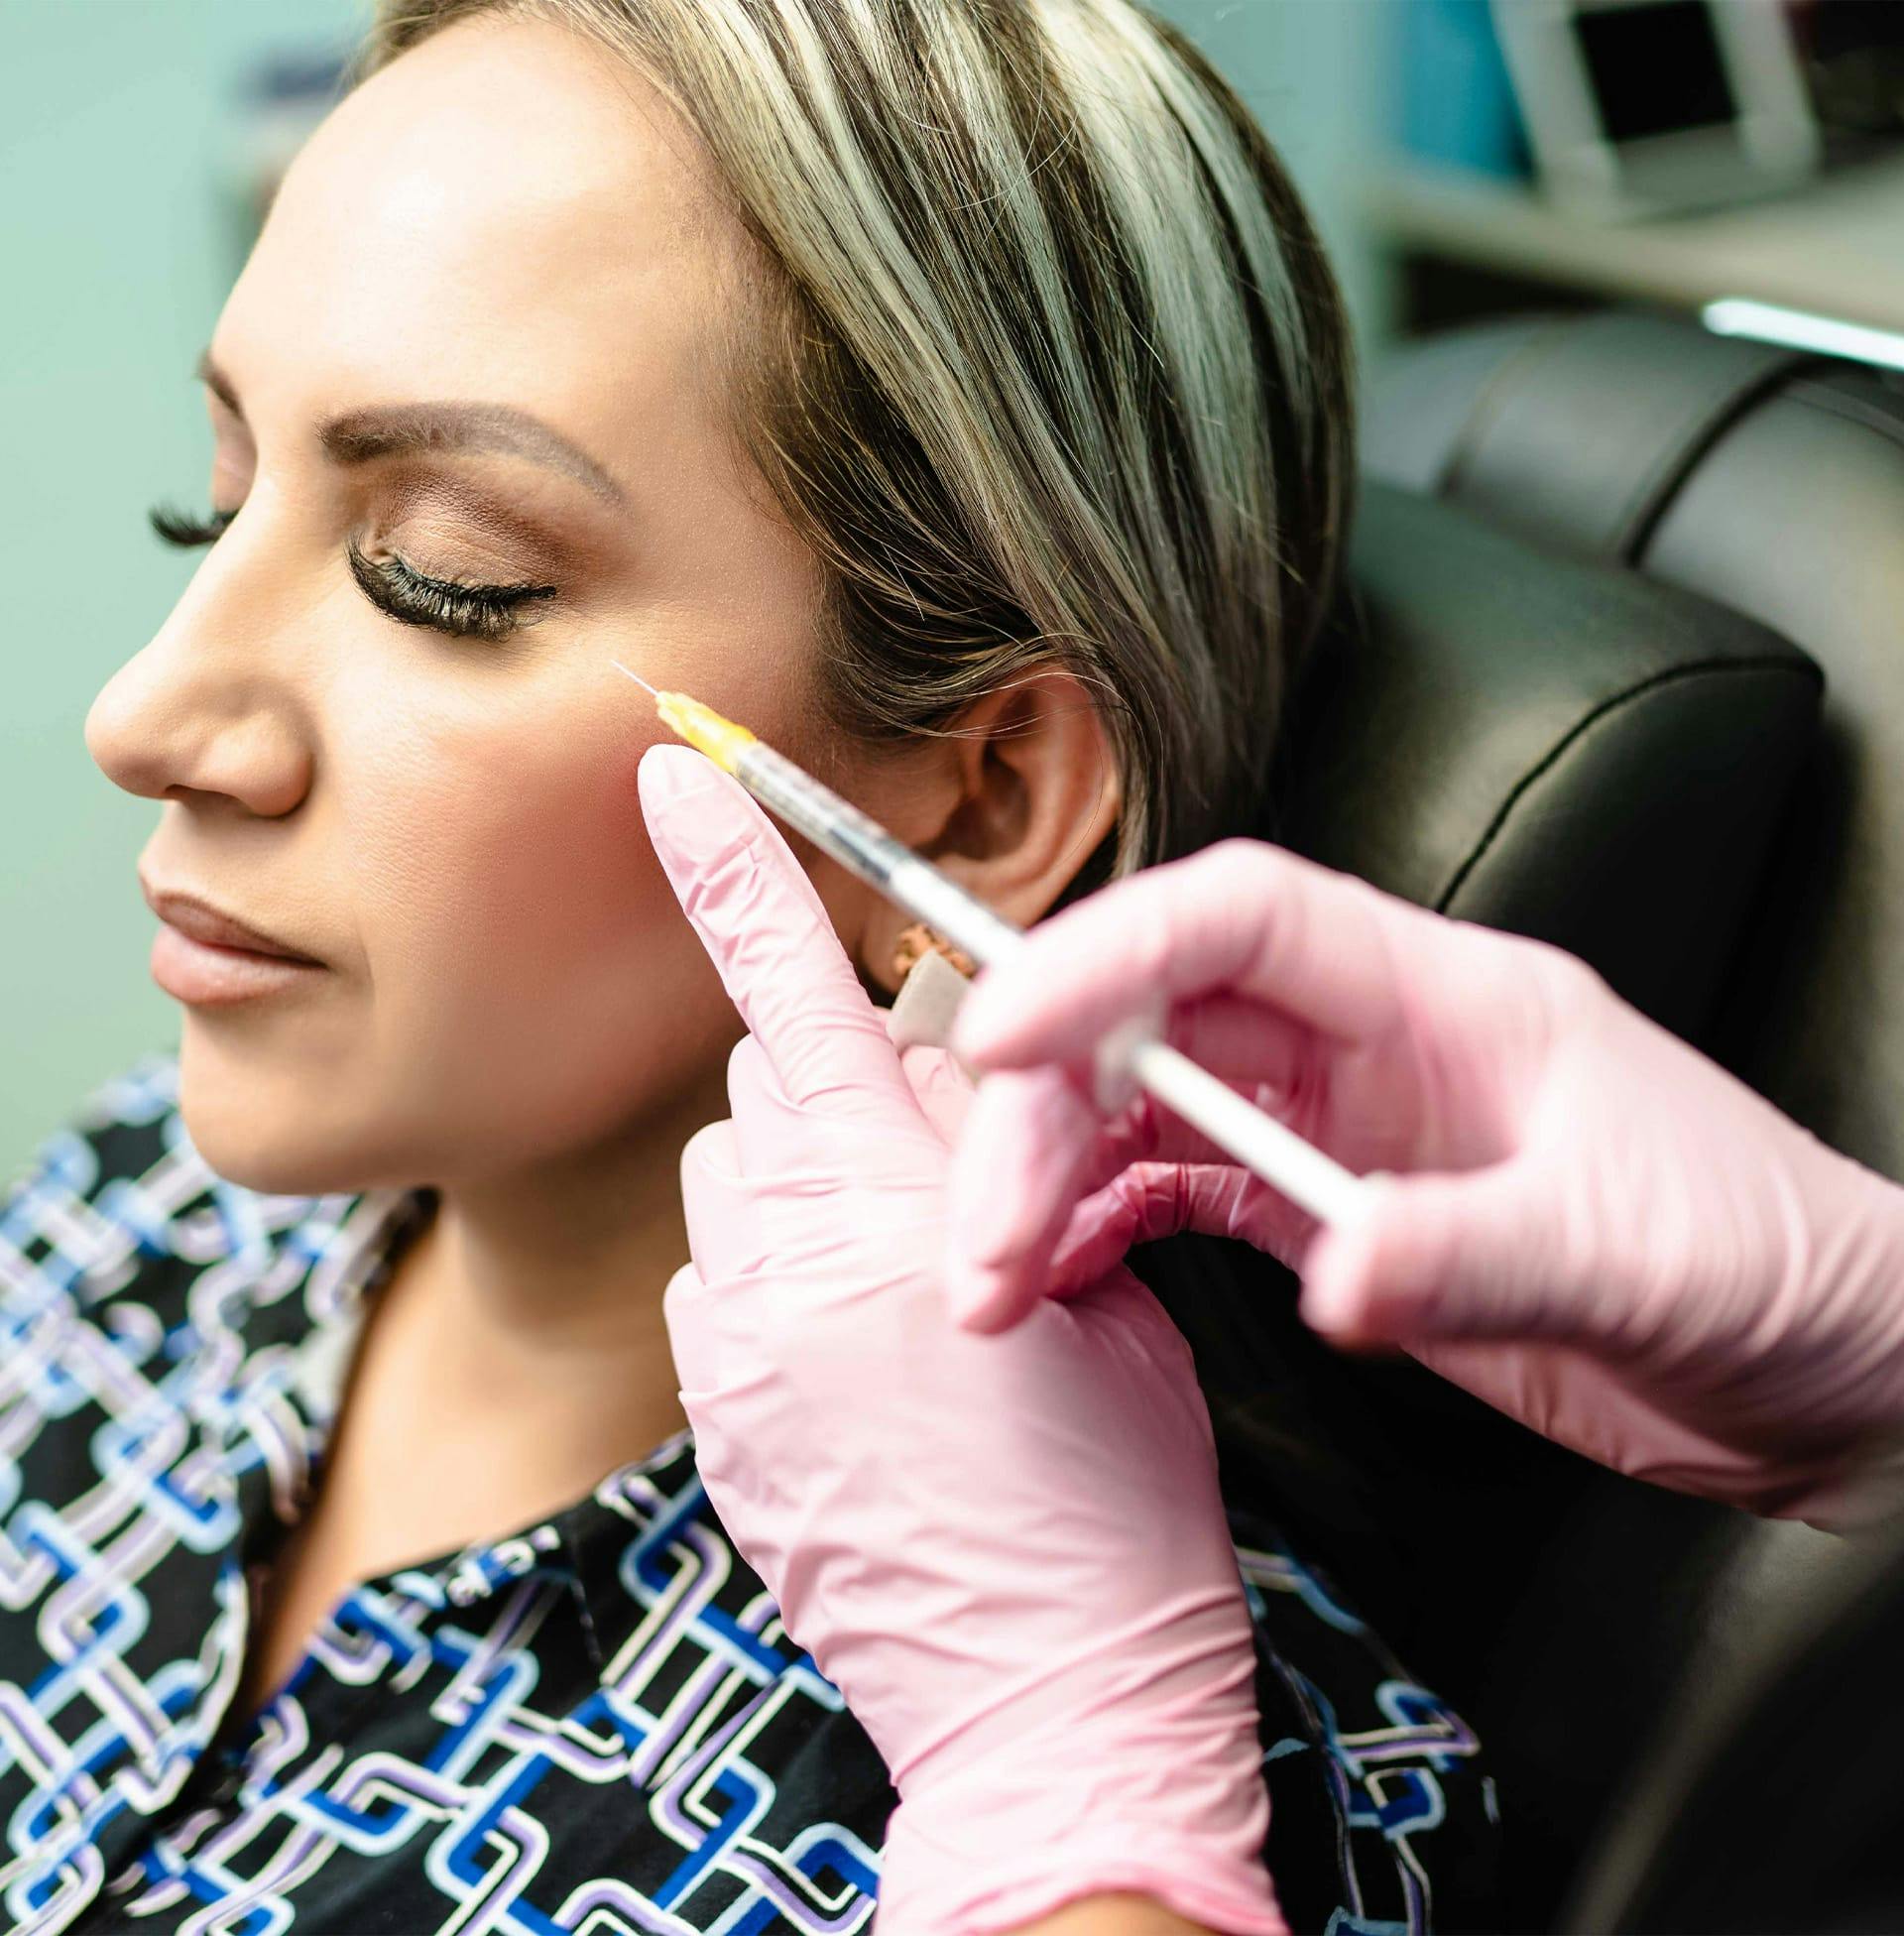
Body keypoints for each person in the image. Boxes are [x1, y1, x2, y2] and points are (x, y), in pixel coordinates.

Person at [0, 2, 1501, 1931]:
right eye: (211, 502)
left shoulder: (1152, 1815)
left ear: (977, 798)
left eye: (442, 572)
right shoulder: (137, 1214)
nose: (149, 711)